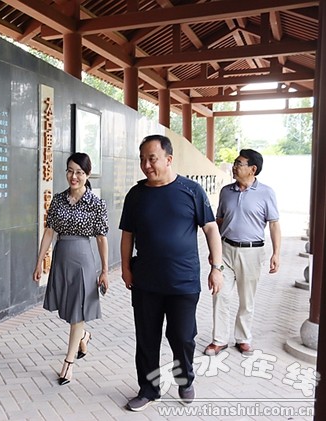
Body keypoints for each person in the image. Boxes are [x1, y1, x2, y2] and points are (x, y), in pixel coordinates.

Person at [119, 134, 223, 411]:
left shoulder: (191, 190)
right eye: (142, 159)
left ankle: (185, 380)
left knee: (182, 337)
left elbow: (211, 228)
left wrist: (217, 268)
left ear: (168, 159)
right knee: (147, 339)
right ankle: (148, 389)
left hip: (183, 281)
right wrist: (126, 268)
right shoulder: (136, 195)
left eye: (152, 159)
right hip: (145, 282)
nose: (146, 165)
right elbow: (127, 235)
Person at [33, 152, 109, 386]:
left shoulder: (96, 203)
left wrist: (105, 270)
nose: (74, 176)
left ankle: (68, 363)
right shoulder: (58, 200)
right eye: (70, 171)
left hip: (83, 261)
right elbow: (49, 231)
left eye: (79, 172)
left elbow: (101, 238)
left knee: (78, 309)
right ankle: (83, 336)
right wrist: (39, 261)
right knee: (68, 308)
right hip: (61, 258)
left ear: (87, 174)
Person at [204, 149, 281, 357]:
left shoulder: (266, 193)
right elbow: (219, 221)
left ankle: (243, 339)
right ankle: (219, 340)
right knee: (220, 294)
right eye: (235, 163)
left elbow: (274, 224)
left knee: (247, 299)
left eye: (239, 163)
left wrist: (276, 253)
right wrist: (214, 251)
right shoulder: (226, 191)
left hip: (252, 252)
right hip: (226, 251)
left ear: (252, 169)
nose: (234, 167)